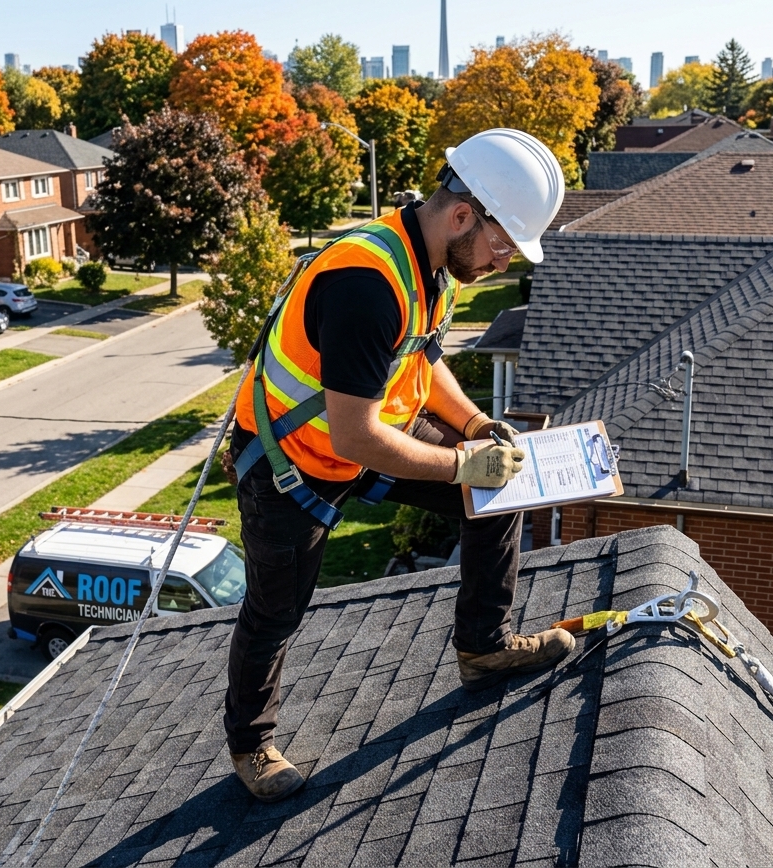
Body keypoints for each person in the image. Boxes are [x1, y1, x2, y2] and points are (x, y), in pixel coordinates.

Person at [225, 128, 575, 802]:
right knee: (276, 610)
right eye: (503, 244)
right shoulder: (367, 281)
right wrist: (460, 467)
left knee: (496, 490)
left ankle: (484, 645)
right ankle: (251, 745)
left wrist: (473, 427)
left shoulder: (432, 267)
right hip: (290, 460)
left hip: (367, 428)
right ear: (464, 215)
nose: (504, 262)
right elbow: (354, 439)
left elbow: (422, 357)